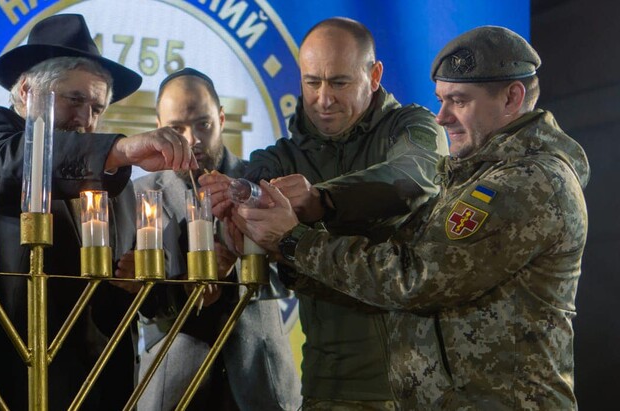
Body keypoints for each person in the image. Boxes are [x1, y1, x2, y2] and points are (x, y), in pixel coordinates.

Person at [237, 26, 589, 409]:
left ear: (512, 98)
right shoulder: (474, 176)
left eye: (459, 101)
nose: (442, 117)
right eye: (441, 99)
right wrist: (286, 251)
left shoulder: (526, 183)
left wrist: (293, 240)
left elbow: (411, 279)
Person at [0, 14, 196, 411]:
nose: (86, 119)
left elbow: (129, 305)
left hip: (86, 391)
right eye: (74, 99)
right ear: (26, 91)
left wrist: (138, 282)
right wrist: (119, 150)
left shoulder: (115, 188)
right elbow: (18, 162)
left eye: (97, 107)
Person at [201, 17, 448, 410]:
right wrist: (235, 205)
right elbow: (250, 192)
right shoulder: (281, 157)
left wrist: (320, 199)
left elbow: (413, 177)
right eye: (312, 82)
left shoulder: (411, 127)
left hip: (420, 386)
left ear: (375, 74)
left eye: (339, 82)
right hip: (328, 386)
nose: (323, 98)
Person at [125, 68, 301, 410]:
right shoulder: (138, 195)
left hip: (259, 379)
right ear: (158, 125)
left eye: (203, 124)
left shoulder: (263, 185)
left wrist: (242, 267)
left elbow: (296, 277)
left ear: (222, 118)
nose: (192, 140)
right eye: (176, 128)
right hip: (171, 383)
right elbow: (137, 305)